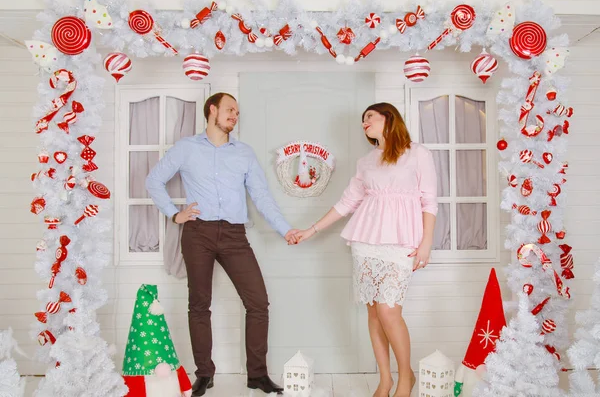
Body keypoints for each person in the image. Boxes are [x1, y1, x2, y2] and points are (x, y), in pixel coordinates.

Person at [146, 92, 298, 396]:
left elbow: (262, 197)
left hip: (234, 236)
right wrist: (175, 215)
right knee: (199, 305)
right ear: (212, 110)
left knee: (258, 303)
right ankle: (205, 374)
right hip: (197, 234)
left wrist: (285, 230)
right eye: (230, 109)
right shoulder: (186, 148)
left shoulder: (244, 153)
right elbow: (153, 180)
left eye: (237, 112)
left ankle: (257, 375)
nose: (234, 115)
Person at [294, 102, 437, 397]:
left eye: (369, 117)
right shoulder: (366, 161)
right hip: (366, 243)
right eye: (362, 120)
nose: (364, 123)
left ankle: (405, 378)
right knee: (374, 313)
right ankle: (385, 380)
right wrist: (311, 230)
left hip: (401, 243)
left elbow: (429, 201)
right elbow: (346, 203)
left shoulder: (418, 154)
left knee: (389, 312)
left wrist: (426, 243)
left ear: (388, 117)